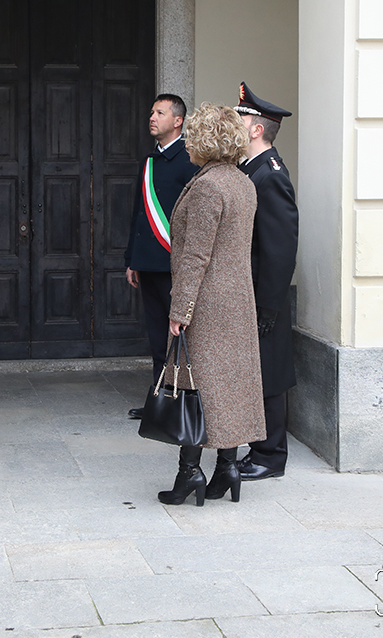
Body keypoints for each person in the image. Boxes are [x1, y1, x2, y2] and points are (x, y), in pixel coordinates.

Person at [157, 103, 264, 506]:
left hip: (208, 302)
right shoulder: (242, 182)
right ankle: (227, 468)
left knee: (196, 387)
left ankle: (189, 474)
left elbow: (196, 256)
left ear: (203, 139)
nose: (186, 145)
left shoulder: (207, 186)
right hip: (237, 298)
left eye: (192, 137)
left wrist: (179, 310)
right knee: (229, 387)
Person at [234, 83, 299, 482]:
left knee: (269, 376)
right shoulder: (251, 170)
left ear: (256, 129)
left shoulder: (269, 175)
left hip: (264, 297)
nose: (235, 123)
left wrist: (268, 308)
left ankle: (270, 456)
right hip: (253, 295)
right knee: (257, 375)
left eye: (240, 117)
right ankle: (258, 448)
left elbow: (279, 248)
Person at [124, 94, 199, 420]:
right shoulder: (149, 161)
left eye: (160, 112)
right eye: (152, 111)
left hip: (174, 265)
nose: (152, 117)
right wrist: (132, 258)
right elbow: (140, 214)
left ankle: (178, 403)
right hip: (149, 263)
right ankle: (158, 400)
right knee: (157, 337)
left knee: (178, 337)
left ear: (178, 121)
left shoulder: (189, 161)